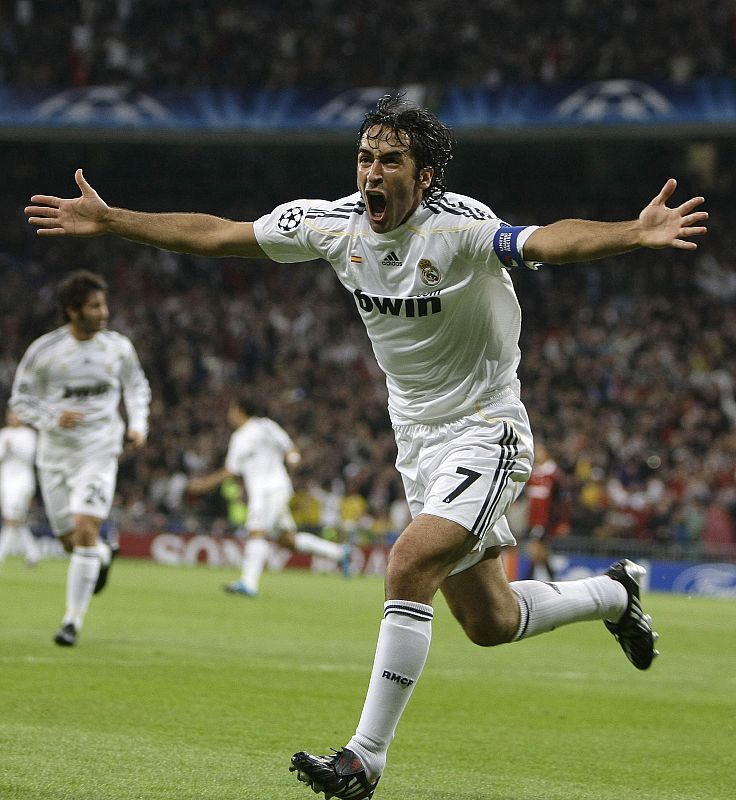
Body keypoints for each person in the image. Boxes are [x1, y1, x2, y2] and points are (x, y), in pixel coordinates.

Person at [24, 94, 707, 798]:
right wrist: (113, 220)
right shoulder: (330, 225)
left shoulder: (461, 227)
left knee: (407, 563)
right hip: (415, 440)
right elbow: (218, 234)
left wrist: (634, 232)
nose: (372, 173)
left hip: (486, 426)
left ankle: (364, 759)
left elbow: (546, 241)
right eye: (364, 158)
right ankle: (613, 593)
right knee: (490, 621)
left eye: (391, 161)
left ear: (425, 176)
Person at [10, 270, 151, 647]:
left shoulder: (117, 348)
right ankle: (102, 556)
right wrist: (52, 416)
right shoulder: (45, 351)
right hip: (55, 455)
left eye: (104, 305)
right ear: (73, 311)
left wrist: (138, 425)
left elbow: (136, 386)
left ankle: (71, 621)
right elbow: (20, 401)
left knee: (86, 528)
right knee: (71, 542)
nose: (104, 313)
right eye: (94, 306)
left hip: (100, 449)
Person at [187, 396, 352, 595]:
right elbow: (289, 450)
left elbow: (232, 470)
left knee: (257, 531)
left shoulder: (249, 433)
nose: (229, 415)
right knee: (287, 540)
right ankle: (339, 553)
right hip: (274, 489)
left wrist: (203, 484)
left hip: (268, 491)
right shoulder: (262, 428)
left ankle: (248, 584)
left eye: (231, 410)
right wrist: (293, 459)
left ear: (239, 410)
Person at [0, 408, 41, 567]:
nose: (12, 418)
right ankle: (34, 554)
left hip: (23, 481)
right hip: (6, 481)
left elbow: (29, 456)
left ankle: (1, 554)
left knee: (12, 519)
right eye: (10, 415)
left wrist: (14, 446)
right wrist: (6, 447)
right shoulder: (3, 433)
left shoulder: (29, 434)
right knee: (16, 520)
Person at [521, 442, 565, 581]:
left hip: (544, 520)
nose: (537, 454)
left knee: (534, 550)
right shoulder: (533, 473)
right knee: (542, 553)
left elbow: (560, 501)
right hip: (532, 519)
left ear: (547, 454)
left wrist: (561, 522)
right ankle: (554, 579)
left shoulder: (554, 475)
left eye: (540, 451)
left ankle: (527, 579)